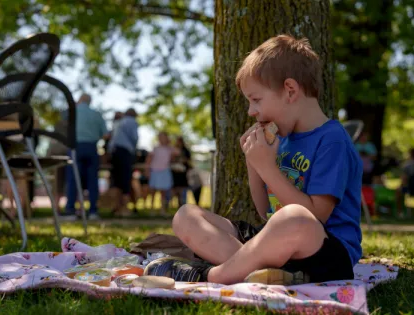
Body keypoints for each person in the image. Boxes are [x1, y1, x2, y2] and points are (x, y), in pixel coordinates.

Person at [144, 35, 363, 285]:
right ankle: (259, 272)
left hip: (324, 251)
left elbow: (315, 216)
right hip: (277, 243)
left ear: (290, 90)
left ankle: (212, 275)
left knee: (294, 218)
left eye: (256, 100)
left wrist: (267, 167)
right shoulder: (284, 139)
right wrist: (254, 163)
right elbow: (265, 212)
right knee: (186, 215)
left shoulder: (332, 139)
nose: (251, 111)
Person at [64, 93, 108, 220]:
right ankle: (93, 211)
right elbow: (105, 135)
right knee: (92, 181)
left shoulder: (72, 112)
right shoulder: (96, 114)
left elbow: (66, 128)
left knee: (73, 179)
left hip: (75, 147)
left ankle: (71, 210)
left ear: (79, 100)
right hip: (91, 147)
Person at [109, 108, 139, 216]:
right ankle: (125, 209)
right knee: (126, 180)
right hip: (125, 152)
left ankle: (116, 207)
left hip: (114, 152)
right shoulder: (132, 122)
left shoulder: (118, 122)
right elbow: (134, 138)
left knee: (116, 181)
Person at [145, 132, 179, 216]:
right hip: (155, 171)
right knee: (153, 191)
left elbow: (177, 152)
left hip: (164, 171)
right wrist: (147, 170)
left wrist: (170, 144)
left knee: (163, 192)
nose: (162, 139)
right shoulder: (155, 148)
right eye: (160, 137)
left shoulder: (169, 148)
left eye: (164, 137)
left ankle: (162, 210)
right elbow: (149, 159)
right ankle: (152, 209)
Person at [171, 136, 192, 207]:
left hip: (183, 174)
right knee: (176, 190)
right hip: (175, 174)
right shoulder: (173, 150)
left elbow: (188, 160)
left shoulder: (186, 150)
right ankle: (177, 204)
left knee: (183, 190)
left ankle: (183, 205)